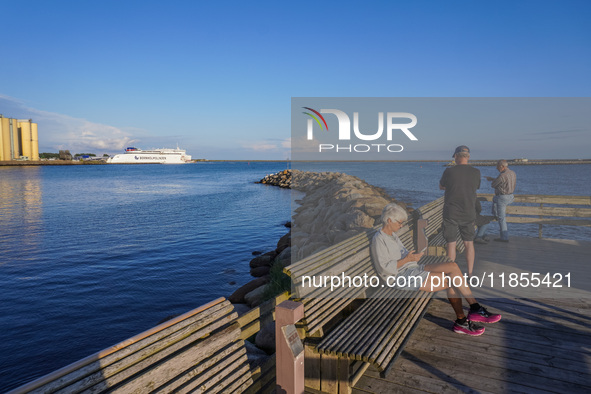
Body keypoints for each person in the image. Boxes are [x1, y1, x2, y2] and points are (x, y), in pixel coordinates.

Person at [370, 203, 501, 336]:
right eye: (400, 223)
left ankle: (473, 310)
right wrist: (407, 260)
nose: (401, 225)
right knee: (452, 280)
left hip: (412, 267)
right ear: (389, 220)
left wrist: (414, 257)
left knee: (453, 267)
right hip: (400, 277)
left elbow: (403, 256)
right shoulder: (379, 240)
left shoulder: (393, 235)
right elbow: (384, 268)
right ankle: (464, 319)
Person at [439, 145, 480, 276]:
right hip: (469, 211)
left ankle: (451, 275)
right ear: (468, 157)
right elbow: (476, 186)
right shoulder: (476, 172)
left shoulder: (449, 171)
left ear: (456, 156)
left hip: (451, 212)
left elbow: (441, 186)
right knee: (469, 243)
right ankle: (470, 273)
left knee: (451, 243)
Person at [485, 160, 517, 242]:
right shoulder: (512, 173)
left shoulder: (502, 175)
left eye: (497, 166)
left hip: (503, 198)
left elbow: (493, 185)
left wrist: (492, 181)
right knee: (495, 199)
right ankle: (495, 213)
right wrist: (493, 179)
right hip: (511, 196)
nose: (496, 168)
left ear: (502, 166)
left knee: (501, 218)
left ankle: (504, 237)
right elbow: (504, 182)